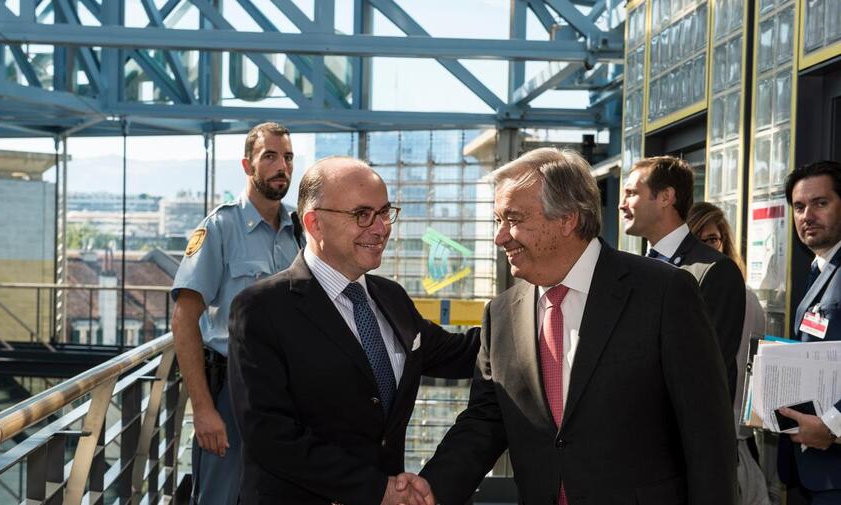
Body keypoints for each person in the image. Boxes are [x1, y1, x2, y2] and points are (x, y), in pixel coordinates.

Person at [416, 148, 736, 504]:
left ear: (567, 219)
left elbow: (709, 437)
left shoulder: (663, 293)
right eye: (497, 221)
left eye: (513, 219)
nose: (500, 237)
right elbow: (484, 422)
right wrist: (428, 491)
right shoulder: (502, 315)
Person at [228, 156, 479, 505]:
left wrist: (533, 312)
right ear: (315, 224)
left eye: (385, 212)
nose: (381, 229)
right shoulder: (261, 308)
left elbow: (461, 354)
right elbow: (269, 435)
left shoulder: (391, 297)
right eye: (362, 215)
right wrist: (378, 490)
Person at [171, 122, 301, 505]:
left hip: (291, 394)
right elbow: (183, 319)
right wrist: (204, 409)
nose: (282, 166)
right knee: (221, 498)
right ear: (248, 165)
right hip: (232, 391)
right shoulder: (221, 228)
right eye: (270, 157)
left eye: (288, 157)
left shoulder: (302, 230)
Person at [620, 156, 746, 399]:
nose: (622, 204)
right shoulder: (631, 268)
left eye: (631, 193)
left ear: (666, 197)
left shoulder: (714, 270)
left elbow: (706, 372)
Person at [688, 201, 771, 505]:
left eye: (711, 239)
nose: (705, 248)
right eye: (695, 239)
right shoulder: (671, 295)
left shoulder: (745, 299)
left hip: (732, 443)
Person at [777, 161, 841, 504]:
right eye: (799, 207)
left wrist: (832, 425)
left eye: (820, 203)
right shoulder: (818, 270)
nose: (807, 216)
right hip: (812, 471)